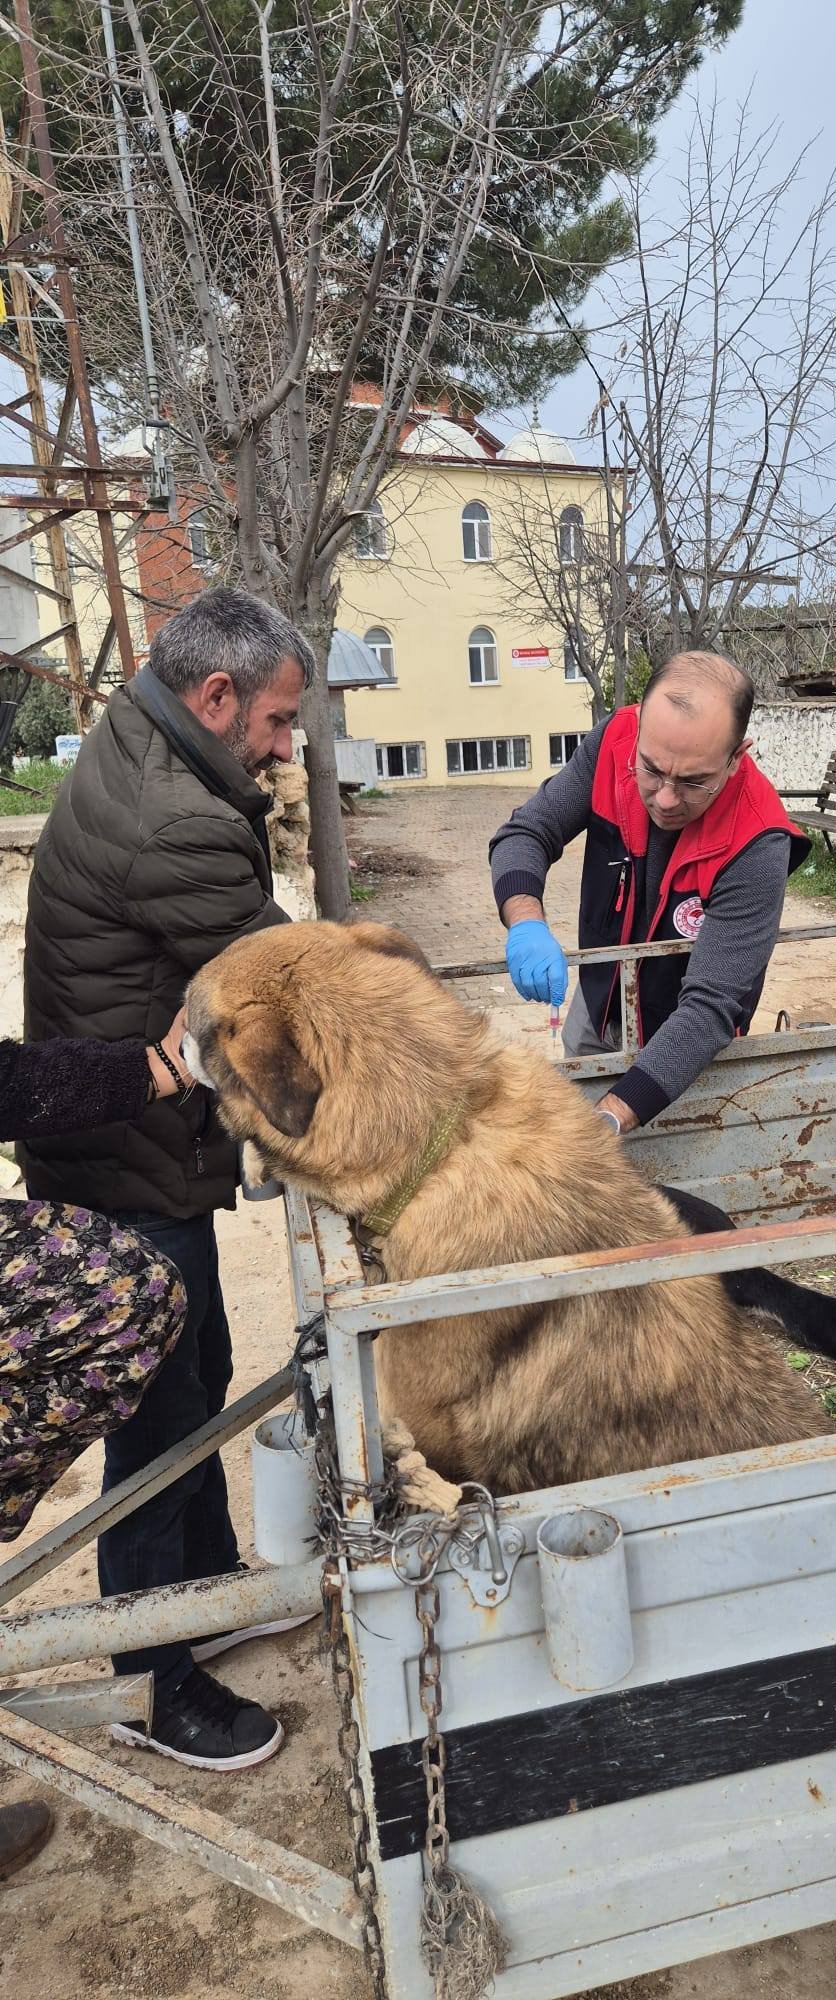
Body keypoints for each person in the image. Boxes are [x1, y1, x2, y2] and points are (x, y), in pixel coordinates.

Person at [19, 586, 314, 1772]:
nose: (288, 748)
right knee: (158, 1414)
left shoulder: (148, 733)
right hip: (127, 1163)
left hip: (133, 1143)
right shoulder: (172, 819)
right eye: (280, 724)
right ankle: (154, 1678)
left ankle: (200, 1593)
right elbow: (286, 977)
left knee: (197, 1378)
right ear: (216, 696)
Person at [0, 1016, 190, 1880]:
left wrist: (144, 1070)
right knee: (129, 1296)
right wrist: (155, 1066)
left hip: (140, 1127)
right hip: (142, 1162)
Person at [490, 650, 810, 1133]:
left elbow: (708, 1009)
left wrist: (611, 1119)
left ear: (735, 757)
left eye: (693, 782)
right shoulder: (612, 745)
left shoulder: (758, 841)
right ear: (639, 728)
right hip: (597, 1008)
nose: (664, 799)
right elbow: (528, 832)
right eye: (652, 769)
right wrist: (526, 919)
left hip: (689, 1052)